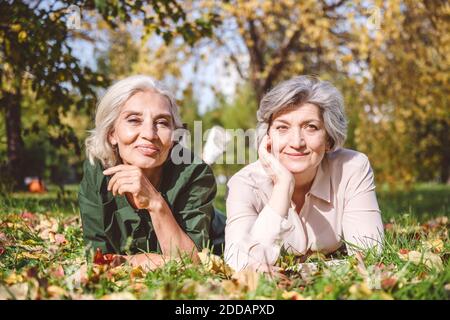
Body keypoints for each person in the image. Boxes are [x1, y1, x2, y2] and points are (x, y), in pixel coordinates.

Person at [224, 76, 384, 272]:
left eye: (311, 127)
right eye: (282, 127)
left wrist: (294, 274)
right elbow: (239, 263)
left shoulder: (352, 168)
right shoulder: (244, 183)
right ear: (268, 138)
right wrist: (283, 186)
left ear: (328, 139)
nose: (297, 142)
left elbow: (370, 254)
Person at [79, 75, 225, 271]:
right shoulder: (97, 171)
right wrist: (149, 260)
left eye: (162, 122)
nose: (149, 134)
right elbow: (98, 259)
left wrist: (155, 203)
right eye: (134, 120)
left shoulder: (195, 173)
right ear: (112, 133)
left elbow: (191, 263)